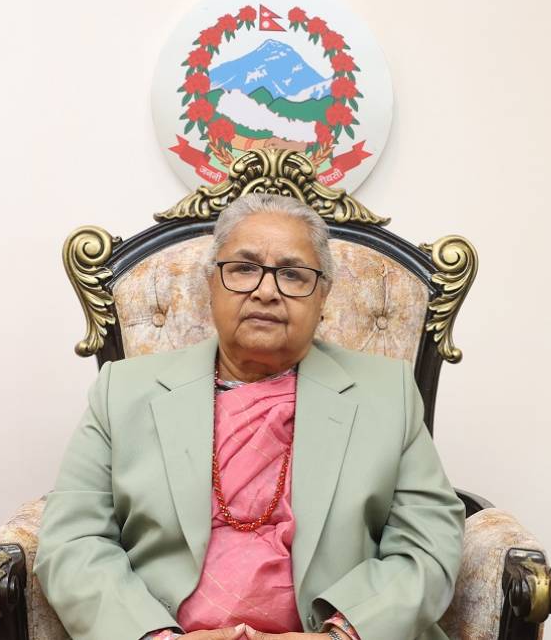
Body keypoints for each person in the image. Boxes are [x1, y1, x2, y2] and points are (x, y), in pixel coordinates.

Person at [35, 194, 465, 640]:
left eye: (293, 274)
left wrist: (342, 635)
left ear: (323, 298)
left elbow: (428, 546)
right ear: (211, 285)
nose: (265, 290)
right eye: (243, 269)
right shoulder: (121, 392)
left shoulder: (386, 394)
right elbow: (73, 541)